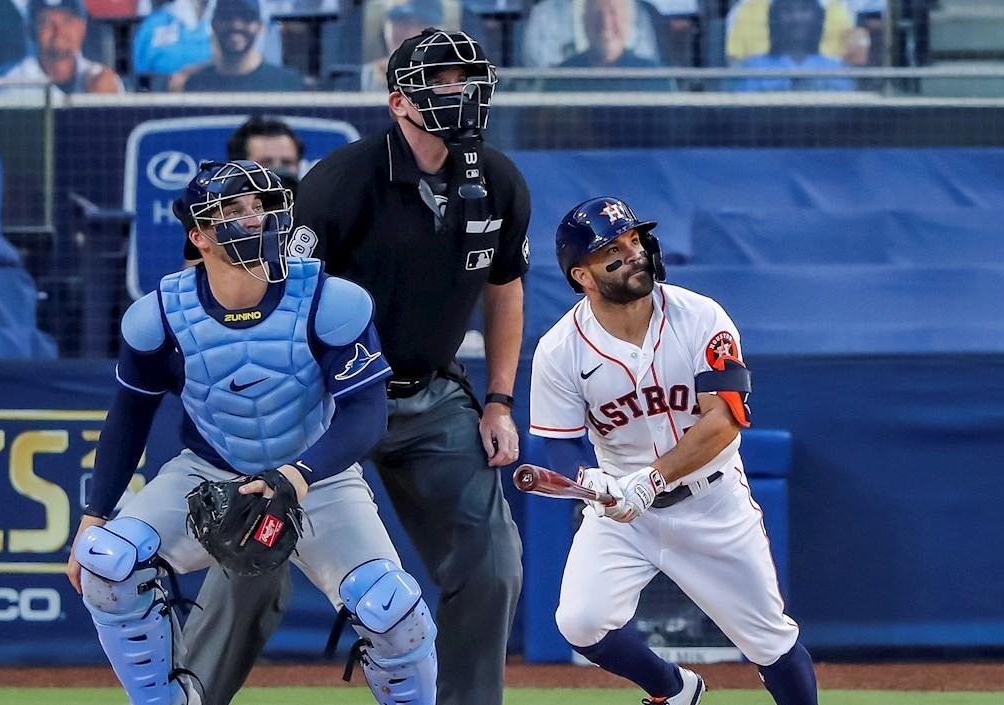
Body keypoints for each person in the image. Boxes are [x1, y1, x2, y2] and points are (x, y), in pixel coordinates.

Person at [183, 28, 526, 705]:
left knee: (493, 565)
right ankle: (182, 698)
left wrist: (500, 399)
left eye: (467, 77)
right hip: (326, 399)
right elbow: (280, 294)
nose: (460, 92)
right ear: (399, 101)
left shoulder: (501, 181)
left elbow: (505, 284)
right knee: (252, 553)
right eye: (442, 80)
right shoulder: (342, 182)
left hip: (430, 393)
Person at [65, 159, 438, 705]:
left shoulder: (330, 299)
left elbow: (365, 413)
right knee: (107, 562)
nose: (258, 219)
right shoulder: (160, 316)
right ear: (200, 236)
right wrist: (94, 515)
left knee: (391, 608)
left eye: (262, 206)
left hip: (316, 476)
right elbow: (128, 418)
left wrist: (299, 474)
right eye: (236, 211)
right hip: (209, 473)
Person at [529, 196, 820, 705]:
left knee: (769, 641)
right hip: (624, 511)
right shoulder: (560, 349)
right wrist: (589, 480)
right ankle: (675, 689)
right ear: (582, 276)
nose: (633, 254)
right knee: (580, 622)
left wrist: (651, 479)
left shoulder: (699, 316)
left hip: (712, 501)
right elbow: (558, 441)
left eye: (633, 240)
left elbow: (725, 421)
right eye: (611, 251)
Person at [177, 120, 306, 703]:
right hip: (244, 452)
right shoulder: (197, 281)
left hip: (335, 428)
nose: (274, 185)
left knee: (387, 603)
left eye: (284, 167)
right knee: (244, 565)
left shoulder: (317, 232)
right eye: (261, 169)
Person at [171, 0, 304, 91]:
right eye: (227, 17)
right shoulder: (197, 84)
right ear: (213, 24)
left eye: (246, 18)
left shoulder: (286, 82)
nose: (236, 25)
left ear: (260, 27)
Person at [548, 0, 675, 92]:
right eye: (597, 14)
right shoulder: (558, 79)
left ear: (628, 20)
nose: (606, 24)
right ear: (584, 21)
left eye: (613, 13)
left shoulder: (655, 79)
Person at [729, 0, 853, 92]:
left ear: (817, 17)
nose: (796, 18)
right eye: (788, 10)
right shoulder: (751, 70)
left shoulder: (836, 70)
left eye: (804, 10)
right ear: (775, 17)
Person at [3, 0, 122, 94]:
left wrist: (103, 101)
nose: (59, 31)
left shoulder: (105, 80)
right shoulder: (13, 85)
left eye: (67, 21)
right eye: (47, 22)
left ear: (82, 28)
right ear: (31, 30)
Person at [521, 0, 658, 68]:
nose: (606, 22)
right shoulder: (545, 14)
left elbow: (647, 72)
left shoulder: (638, 11)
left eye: (612, 13)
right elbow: (541, 79)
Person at [726, 0, 852, 64]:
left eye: (803, 11)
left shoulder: (839, 10)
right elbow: (734, 65)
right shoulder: (744, 10)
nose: (796, 18)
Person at [358, 0, 442, 92]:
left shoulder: (450, 78)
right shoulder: (364, 77)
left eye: (419, 24)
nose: (408, 32)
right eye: (399, 22)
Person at [226, 115, 305, 190]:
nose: (278, 170)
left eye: (286, 163)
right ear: (238, 169)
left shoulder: (312, 203)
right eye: (266, 163)